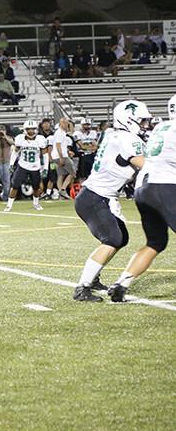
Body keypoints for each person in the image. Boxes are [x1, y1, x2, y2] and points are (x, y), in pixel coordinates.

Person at [71, 100, 151, 302]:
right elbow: (146, 166)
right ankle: (83, 287)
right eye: (141, 121)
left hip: (99, 195)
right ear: (129, 120)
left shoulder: (112, 134)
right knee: (113, 239)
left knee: (120, 237)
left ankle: (94, 276)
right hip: (96, 197)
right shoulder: (128, 139)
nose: (145, 125)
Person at [108, 94, 176, 301]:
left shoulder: (162, 128)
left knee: (156, 242)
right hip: (165, 186)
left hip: (143, 189)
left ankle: (122, 283)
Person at [4, 120, 48, 211]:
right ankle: (9, 205)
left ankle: (36, 203)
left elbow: (45, 154)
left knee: (36, 187)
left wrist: (45, 168)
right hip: (22, 165)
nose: (31, 131)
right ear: (25, 130)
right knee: (15, 185)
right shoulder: (20, 138)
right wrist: (11, 164)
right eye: (28, 129)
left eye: (33, 129)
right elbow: (15, 152)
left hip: (35, 166)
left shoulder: (41, 139)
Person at [51, 118, 76, 199]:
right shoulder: (60, 133)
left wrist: (68, 152)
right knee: (73, 172)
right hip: (61, 156)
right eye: (65, 124)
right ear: (61, 124)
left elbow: (61, 145)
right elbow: (58, 145)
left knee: (61, 175)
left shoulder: (61, 132)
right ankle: (63, 189)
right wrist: (61, 157)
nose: (67, 125)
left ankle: (61, 194)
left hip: (57, 155)